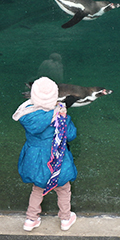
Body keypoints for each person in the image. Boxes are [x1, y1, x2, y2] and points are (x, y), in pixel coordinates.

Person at [12, 76, 78, 231]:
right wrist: (64, 115)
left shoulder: (27, 115)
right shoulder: (60, 116)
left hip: (35, 160)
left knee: (37, 188)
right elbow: (71, 135)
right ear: (55, 96)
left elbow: (39, 125)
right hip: (56, 160)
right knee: (63, 189)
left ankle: (30, 219)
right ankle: (65, 218)